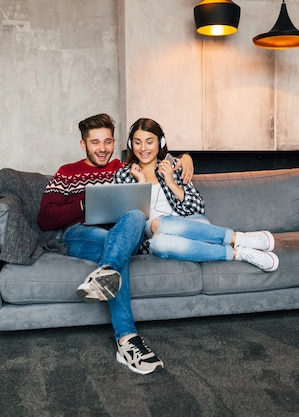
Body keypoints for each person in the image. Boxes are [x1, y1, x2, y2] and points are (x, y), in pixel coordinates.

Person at [37, 113, 194, 375]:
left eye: (108, 141)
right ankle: (127, 340)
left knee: (134, 215)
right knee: (112, 243)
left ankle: (107, 269)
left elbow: (158, 157)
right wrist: (83, 205)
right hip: (80, 234)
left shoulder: (123, 169)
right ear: (83, 144)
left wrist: (186, 158)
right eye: (95, 142)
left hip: (124, 235)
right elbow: (45, 218)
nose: (102, 149)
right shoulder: (67, 173)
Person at [114, 117, 279, 271]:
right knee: (158, 244)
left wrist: (171, 182)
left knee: (160, 223)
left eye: (149, 142)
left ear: (160, 142)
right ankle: (239, 252)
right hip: (157, 236)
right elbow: (127, 221)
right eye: (137, 142)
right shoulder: (124, 175)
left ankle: (238, 238)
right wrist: (141, 182)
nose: (143, 148)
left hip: (194, 225)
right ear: (131, 144)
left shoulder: (173, 166)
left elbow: (197, 207)